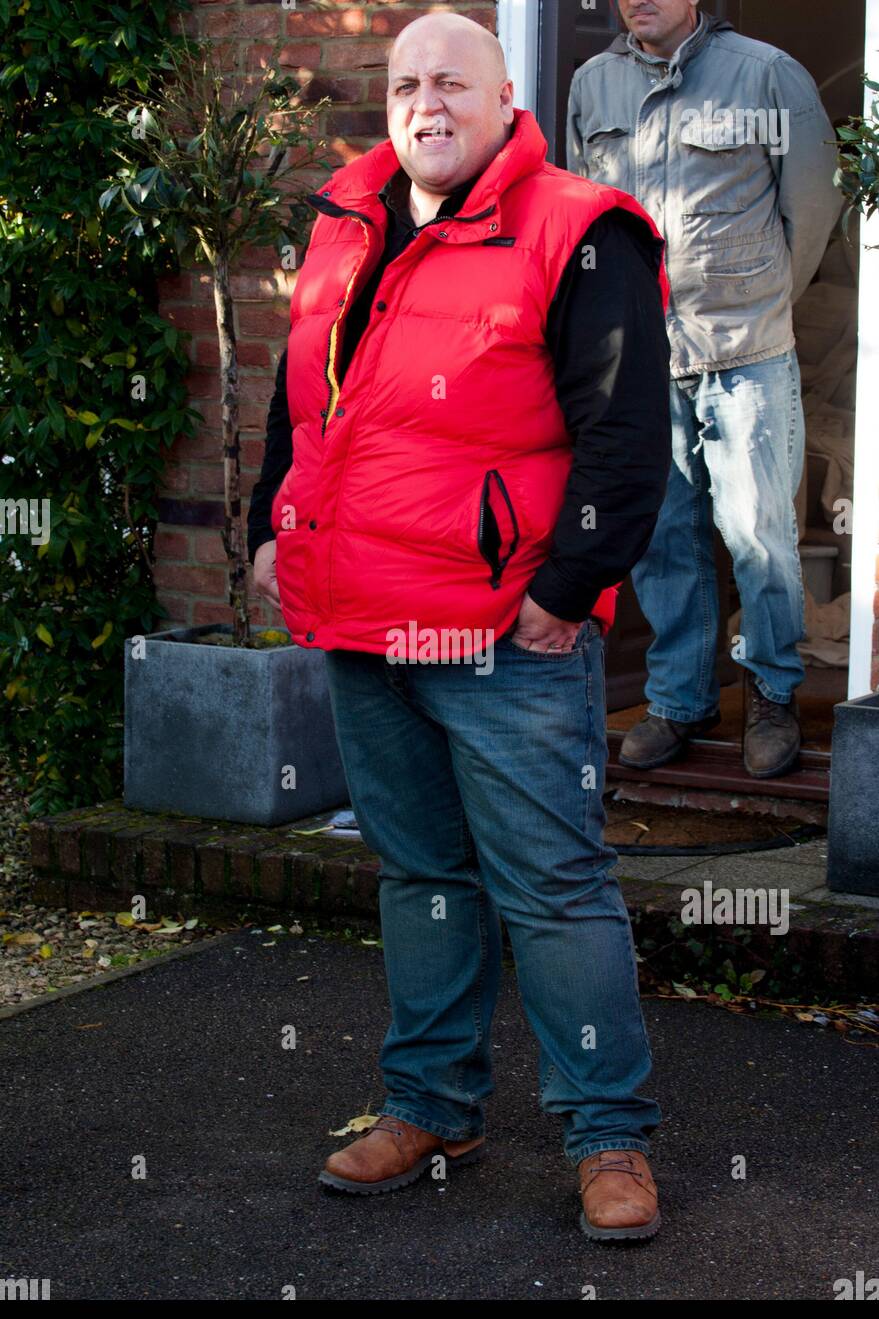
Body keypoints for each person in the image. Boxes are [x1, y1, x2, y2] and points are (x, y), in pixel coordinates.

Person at [247, 11, 672, 1240]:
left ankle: (608, 1136)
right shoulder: (346, 218)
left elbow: (626, 436)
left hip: (505, 639)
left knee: (552, 887)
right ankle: (434, 1103)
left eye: (451, 83)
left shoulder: (579, 230)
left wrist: (563, 588)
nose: (424, 103)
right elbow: (305, 397)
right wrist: (281, 528)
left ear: (503, 103)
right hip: (365, 624)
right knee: (426, 876)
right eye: (404, 84)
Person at [568, 0, 841, 777]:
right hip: (643, 357)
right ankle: (678, 702)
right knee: (660, 536)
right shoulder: (593, 83)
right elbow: (585, 214)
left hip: (745, 350)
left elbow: (813, 208)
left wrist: (758, 306)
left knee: (758, 537)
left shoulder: (765, 75)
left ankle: (770, 696)